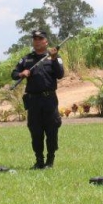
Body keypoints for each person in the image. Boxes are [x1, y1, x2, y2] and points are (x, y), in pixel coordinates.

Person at [11, 29, 64, 169]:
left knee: (52, 130)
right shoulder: (27, 59)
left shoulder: (54, 57)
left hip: (49, 100)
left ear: (46, 41)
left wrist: (53, 59)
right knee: (36, 131)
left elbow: (60, 74)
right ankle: (39, 160)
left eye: (40, 39)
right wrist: (22, 73)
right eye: (35, 39)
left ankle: (50, 160)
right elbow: (14, 73)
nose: (37, 41)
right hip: (33, 101)